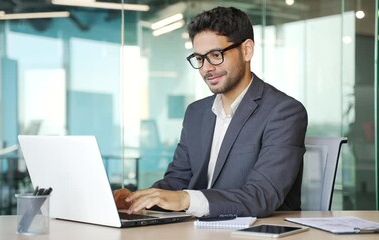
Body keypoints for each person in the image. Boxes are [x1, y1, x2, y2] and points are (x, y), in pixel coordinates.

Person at [114, 6, 307, 218]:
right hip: (199, 230)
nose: (206, 68)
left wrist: (186, 199)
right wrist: (137, 199)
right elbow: (177, 181)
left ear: (247, 50)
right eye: (199, 59)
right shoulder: (196, 113)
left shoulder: (284, 112)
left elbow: (261, 195)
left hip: (256, 232)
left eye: (216, 55)